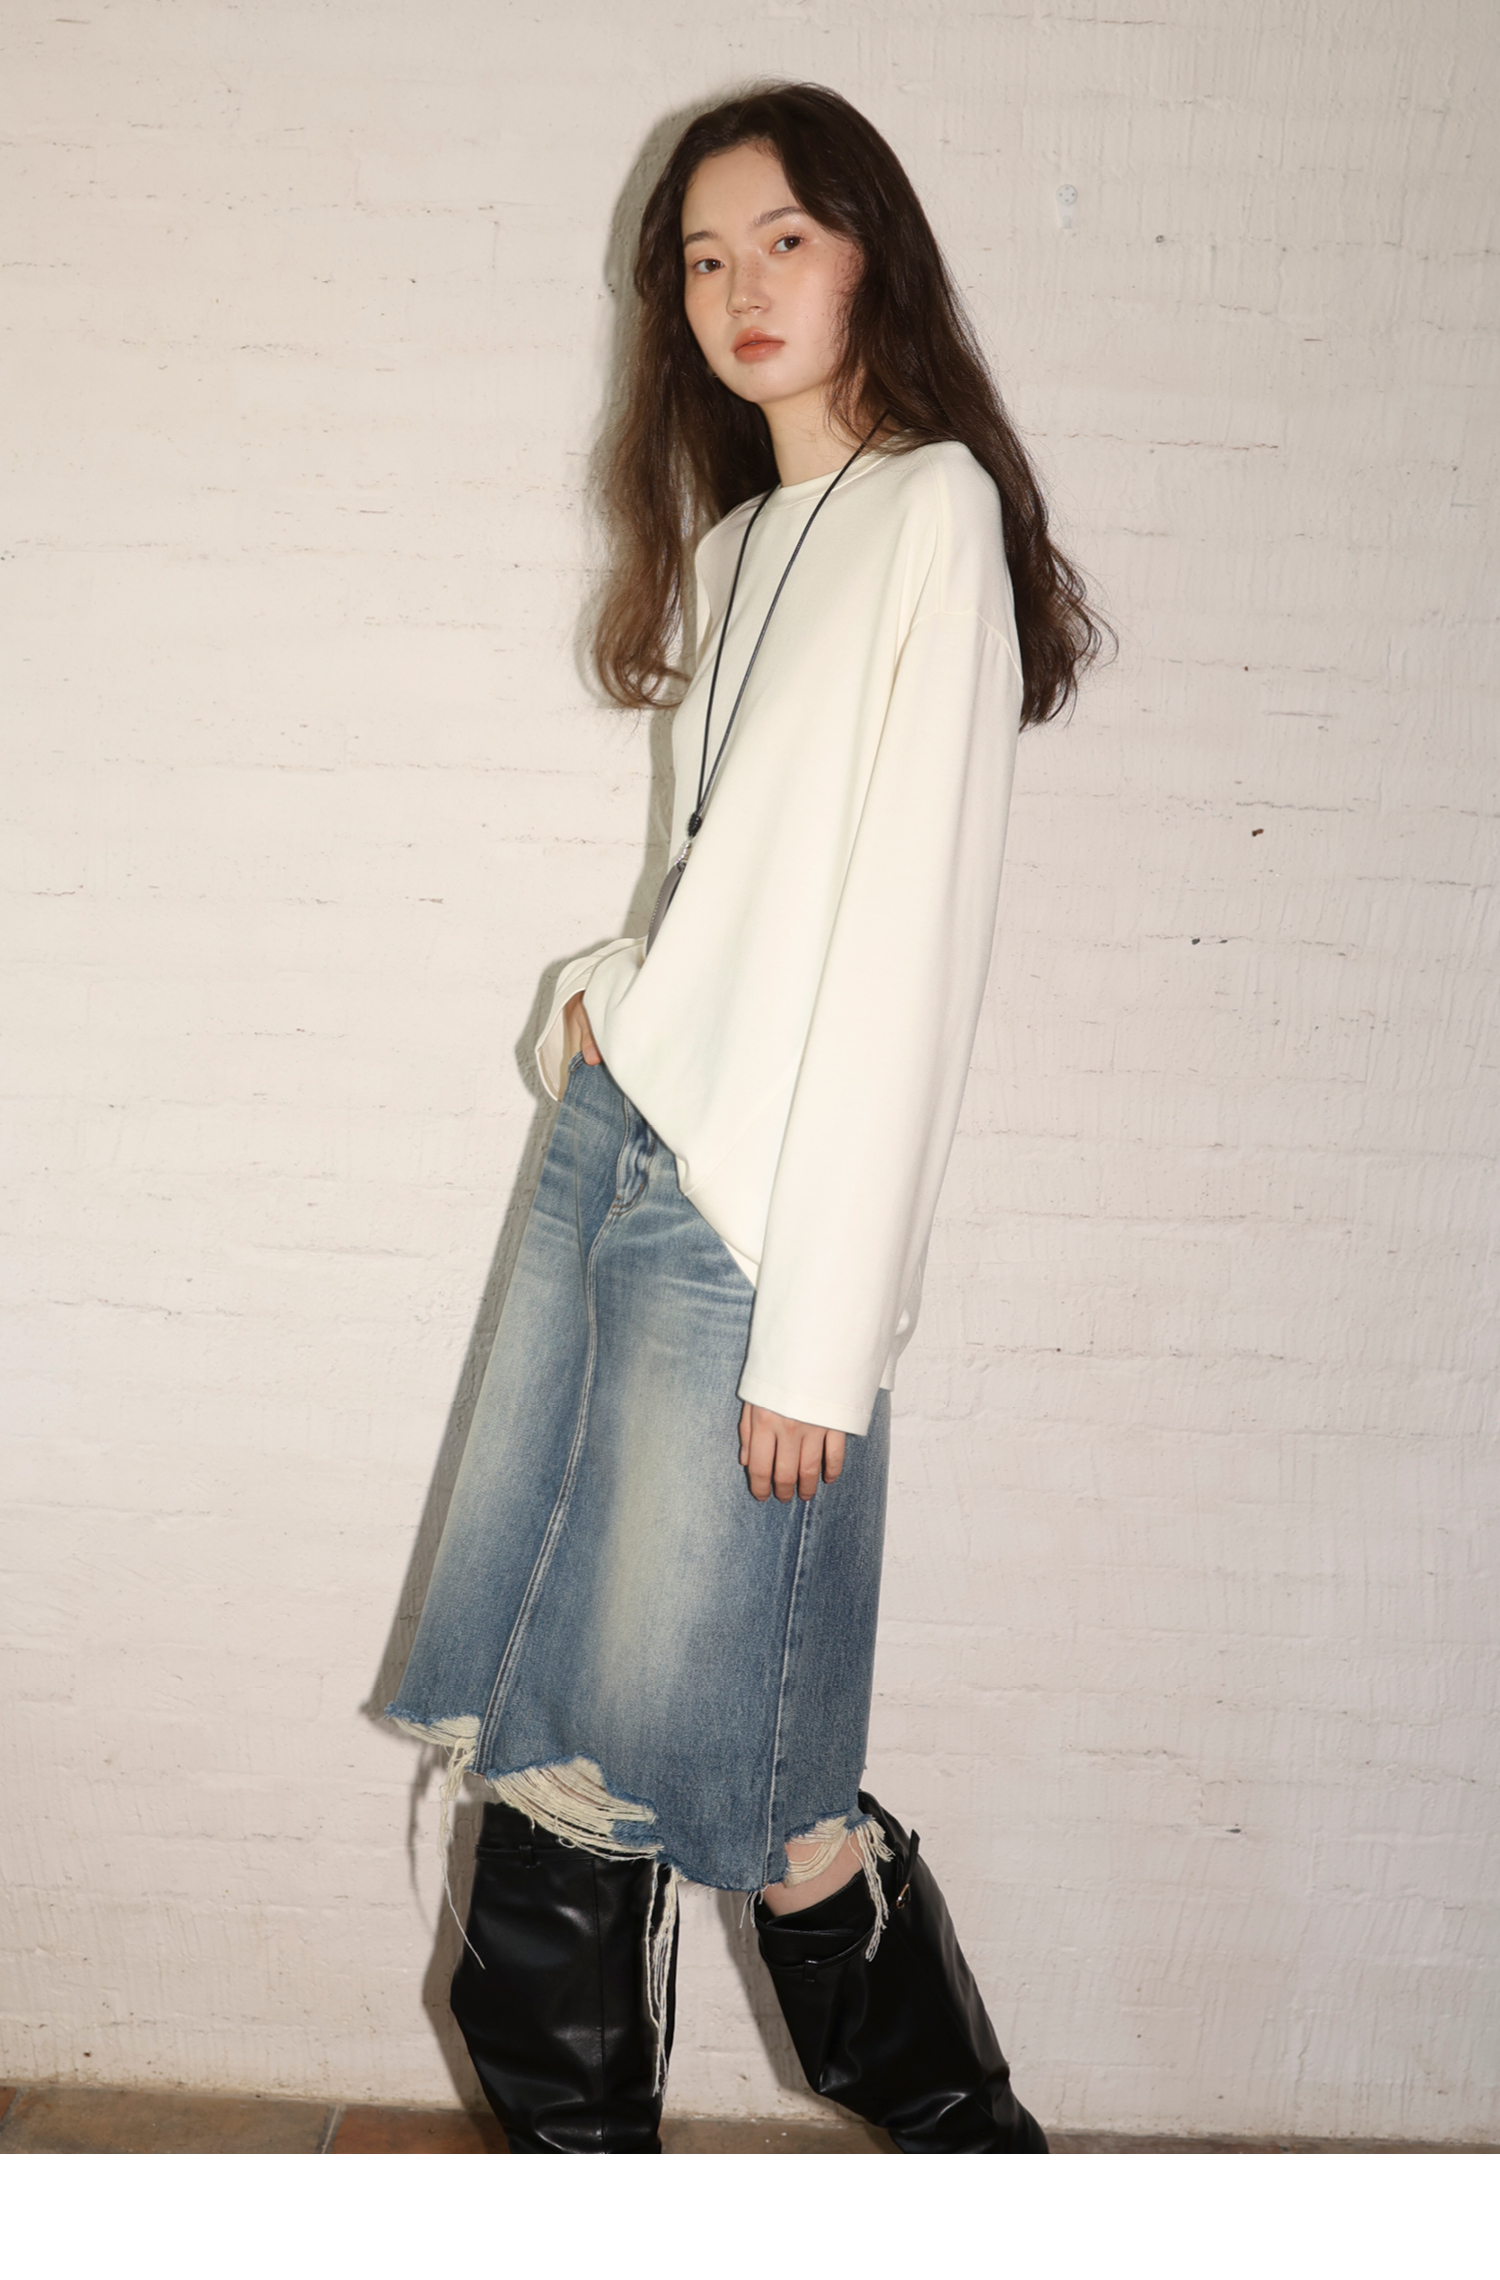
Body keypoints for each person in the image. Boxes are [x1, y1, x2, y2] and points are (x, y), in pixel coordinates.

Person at [387, 81, 1106, 2153]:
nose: (740, 288)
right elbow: (728, 887)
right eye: (704, 258)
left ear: (877, 253)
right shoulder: (733, 547)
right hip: (612, 1161)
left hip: (752, 1228)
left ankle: (975, 2165)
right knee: (563, 1705)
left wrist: (826, 1331)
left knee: (734, 1767)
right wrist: (601, 998)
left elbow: (906, 950)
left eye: (785, 237)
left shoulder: (932, 511)